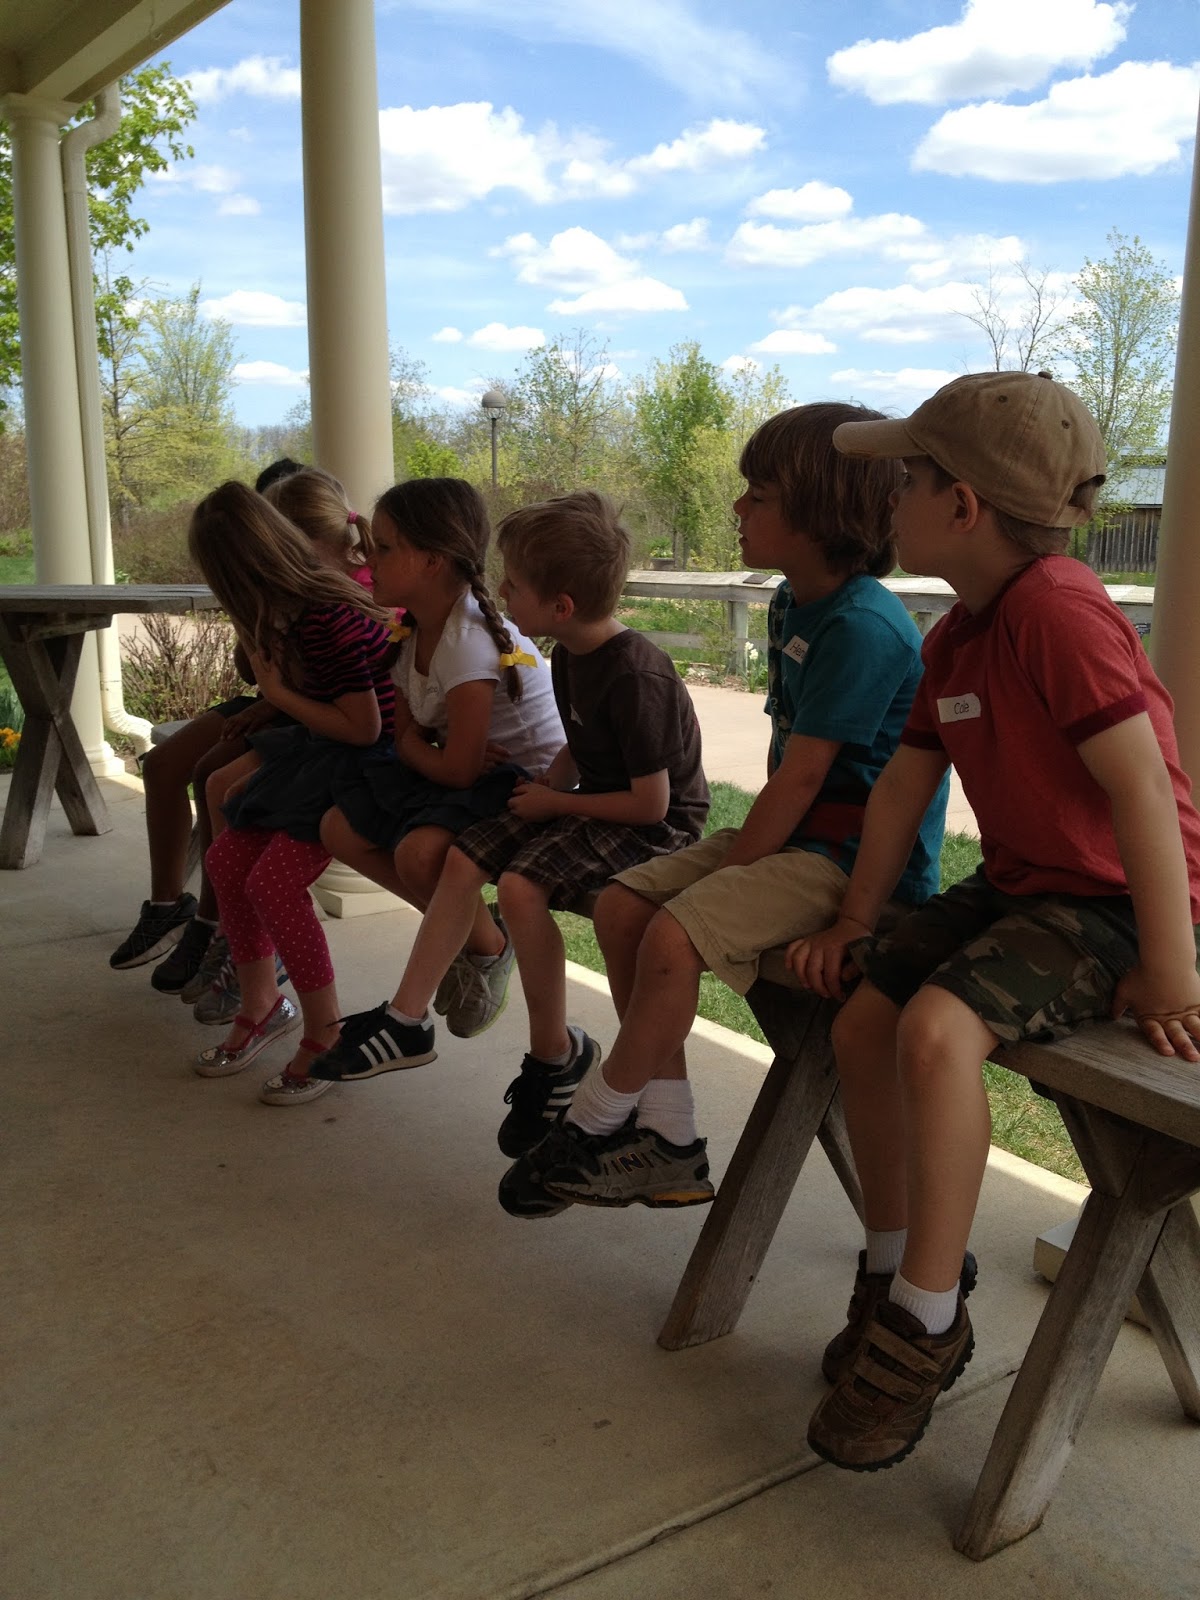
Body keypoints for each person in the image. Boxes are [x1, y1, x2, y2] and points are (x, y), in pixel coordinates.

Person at [787, 370, 1200, 1473]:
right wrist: (858, 917)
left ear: (962, 505)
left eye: (907, 481)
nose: (891, 501)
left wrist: (1172, 970)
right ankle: (893, 1263)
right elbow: (903, 786)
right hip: (1027, 888)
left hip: (1117, 903)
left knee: (935, 1029)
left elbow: (1143, 790)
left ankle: (926, 1319)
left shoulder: (1058, 608)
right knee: (863, 1019)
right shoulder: (958, 635)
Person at [506, 402, 949, 1220]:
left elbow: (803, 779)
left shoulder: (863, 625)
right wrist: (740, 860)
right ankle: (670, 1138)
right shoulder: (791, 601)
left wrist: (728, 873)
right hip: (792, 841)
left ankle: (595, 1118)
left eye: (759, 495)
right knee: (623, 907)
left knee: (674, 932)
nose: (738, 507)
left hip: (855, 863)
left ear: (822, 515)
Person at [309, 492, 710, 1159]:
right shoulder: (573, 653)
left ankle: (553, 1061)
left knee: (520, 889)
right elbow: (582, 741)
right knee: (463, 858)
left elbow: (654, 806)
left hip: (651, 828)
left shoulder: (637, 673)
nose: (500, 593)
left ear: (562, 606)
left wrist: (557, 803)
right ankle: (407, 1019)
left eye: (515, 585)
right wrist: (553, 781)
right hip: (589, 802)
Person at [318, 478, 564, 1038]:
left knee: (419, 855)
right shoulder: (413, 630)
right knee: (338, 827)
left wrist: (418, 749)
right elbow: (410, 739)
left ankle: (486, 948)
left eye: (384, 547)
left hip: (531, 787)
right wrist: (417, 748)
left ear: (431, 561)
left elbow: (451, 765)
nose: (368, 560)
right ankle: (471, 939)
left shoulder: (467, 643)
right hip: (471, 775)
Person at [189, 478, 397, 1106]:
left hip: (367, 767)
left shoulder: (327, 617)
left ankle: (326, 1032)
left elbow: (364, 728)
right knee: (227, 860)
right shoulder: (296, 612)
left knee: (273, 883)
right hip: (323, 753)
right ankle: (262, 1005)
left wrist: (277, 694)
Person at [109, 457, 307, 995]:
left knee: (214, 777)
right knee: (163, 764)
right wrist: (249, 615)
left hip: (298, 712)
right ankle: (167, 907)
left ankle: (215, 926)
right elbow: (251, 673)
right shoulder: (265, 587)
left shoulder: (324, 589)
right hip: (270, 700)